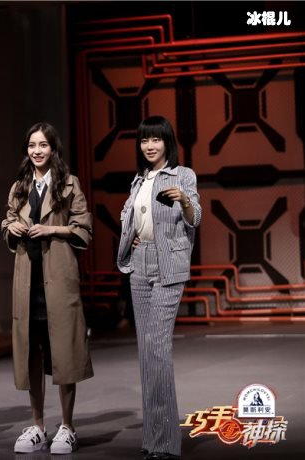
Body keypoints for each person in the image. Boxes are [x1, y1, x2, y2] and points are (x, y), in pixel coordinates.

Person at [1, 122, 93, 455]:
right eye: (32, 145)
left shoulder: (70, 184)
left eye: (43, 145)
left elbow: (83, 228)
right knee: (32, 355)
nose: (37, 151)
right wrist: (12, 226)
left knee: (64, 353)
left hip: (58, 278)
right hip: (28, 281)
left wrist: (51, 230)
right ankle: (38, 426)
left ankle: (67, 426)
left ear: (53, 149)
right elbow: (7, 221)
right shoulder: (19, 186)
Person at [117, 115, 201, 460]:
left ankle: (166, 443)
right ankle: (152, 440)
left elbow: (196, 217)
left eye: (156, 139)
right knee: (145, 352)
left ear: (167, 142)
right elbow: (129, 217)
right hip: (140, 264)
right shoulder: (138, 180)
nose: (149, 146)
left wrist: (184, 200)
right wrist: (132, 238)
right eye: (144, 140)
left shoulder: (183, 175)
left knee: (158, 348)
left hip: (169, 266)